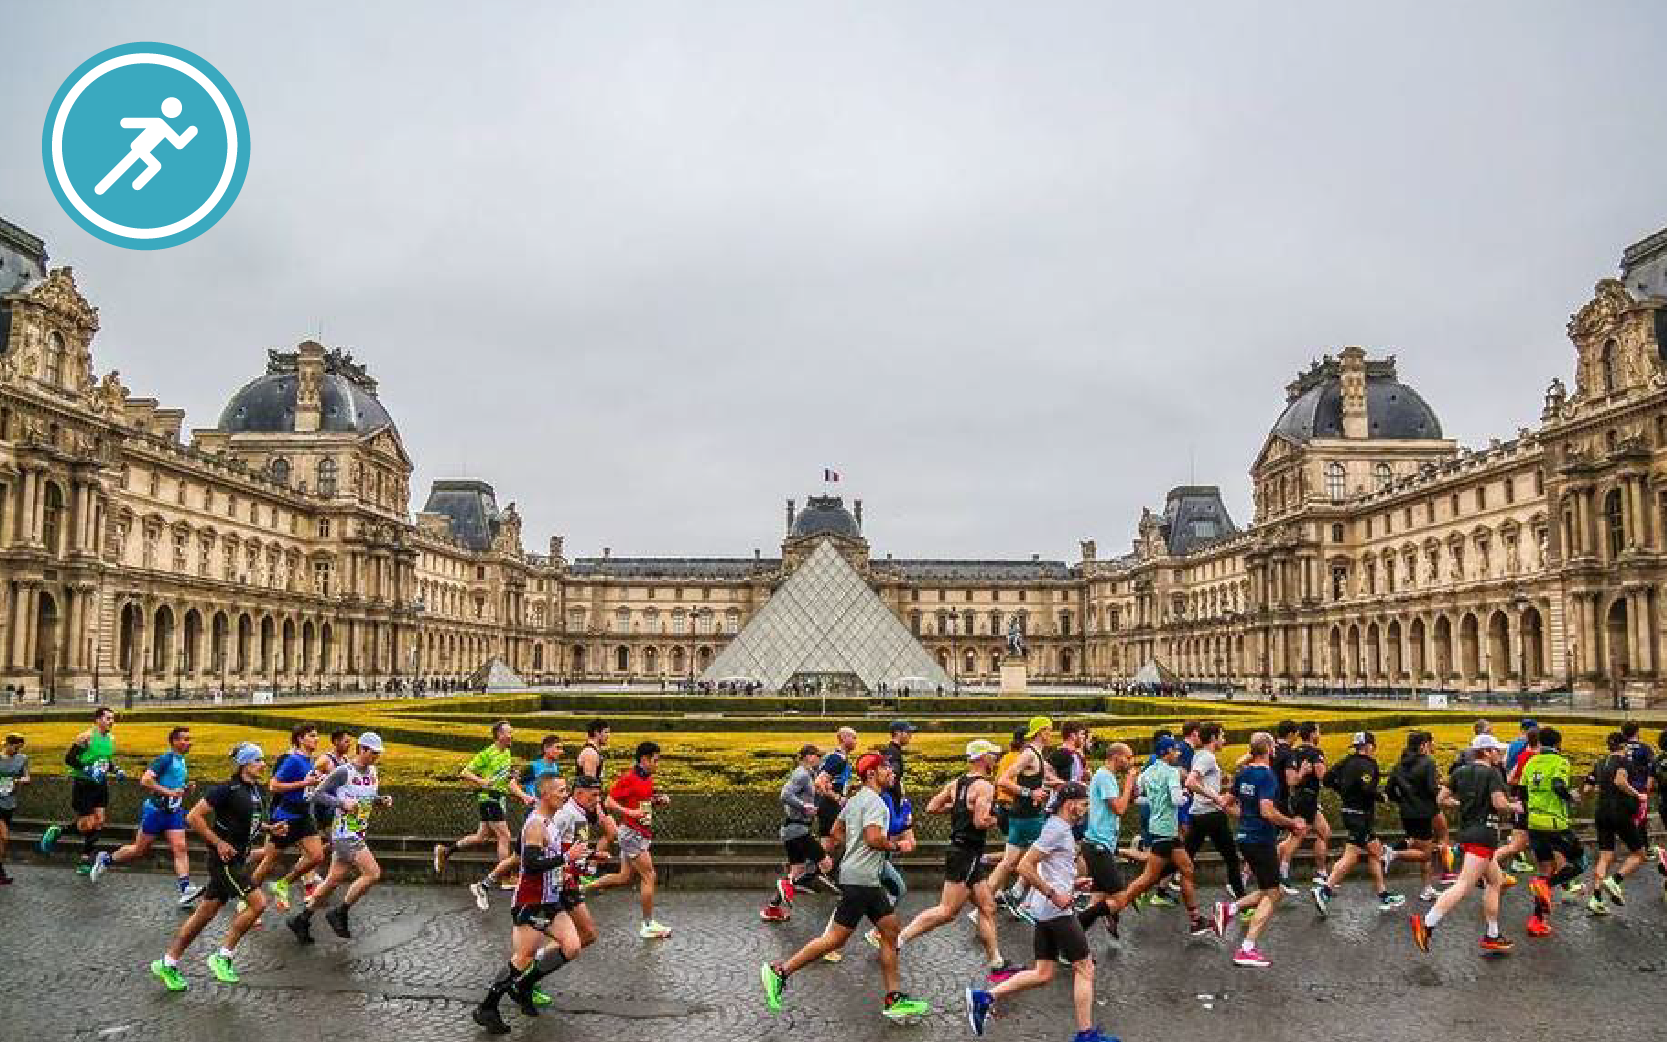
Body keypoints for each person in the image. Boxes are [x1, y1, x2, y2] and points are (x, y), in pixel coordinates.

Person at [760, 753, 930, 1023]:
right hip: (862, 879)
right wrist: (899, 845)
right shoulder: (875, 802)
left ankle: (894, 998)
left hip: (861, 877)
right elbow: (874, 839)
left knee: (889, 930)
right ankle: (780, 971)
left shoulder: (855, 800)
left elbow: (838, 831)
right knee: (835, 940)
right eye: (885, 768)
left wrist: (854, 847)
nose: (892, 773)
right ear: (872, 773)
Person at [964, 782, 1116, 1042]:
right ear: (1071, 804)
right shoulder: (1056, 829)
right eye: (1084, 803)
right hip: (1056, 912)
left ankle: (984, 997)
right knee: (1085, 967)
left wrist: (1071, 884)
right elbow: (1024, 866)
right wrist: (1053, 893)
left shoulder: (1060, 829)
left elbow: (1047, 866)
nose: (1086, 809)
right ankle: (1086, 1034)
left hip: (1047, 912)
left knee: (1043, 974)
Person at [150, 743, 286, 991]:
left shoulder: (255, 791)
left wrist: (269, 828)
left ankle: (167, 962)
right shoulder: (226, 789)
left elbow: (249, 820)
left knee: (203, 915)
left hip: (238, 858)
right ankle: (223, 956)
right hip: (224, 861)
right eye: (258, 761)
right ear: (245, 764)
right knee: (258, 903)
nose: (263, 764)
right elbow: (193, 816)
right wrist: (219, 843)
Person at [471, 773, 588, 1034]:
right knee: (522, 957)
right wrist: (567, 857)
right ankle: (487, 1007)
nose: (565, 794)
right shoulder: (535, 825)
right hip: (530, 901)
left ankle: (524, 986)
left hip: (551, 900)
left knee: (572, 946)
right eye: (560, 790)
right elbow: (532, 865)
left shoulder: (552, 822)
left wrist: (572, 863)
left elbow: (552, 859)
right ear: (544, 794)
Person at [894, 739, 1014, 981]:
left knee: (987, 907)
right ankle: (897, 939)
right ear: (982, 758)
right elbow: (981, 822)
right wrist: (999, 816)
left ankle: (996, 962)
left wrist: (960, 807)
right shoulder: (984, 787)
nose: (995, 759)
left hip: (966, 852)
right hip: (965, 853)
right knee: (947, 911)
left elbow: (931, 807)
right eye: (992, 755)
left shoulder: (957, 783)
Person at [1410, 734, 1518, 956]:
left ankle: (1492, 934)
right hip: (1484, 834)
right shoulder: (1492, 774)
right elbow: (1498, 803)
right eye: (1496, 750)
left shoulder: (1460, 772)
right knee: (1463, 885)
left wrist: (1463, 804)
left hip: (1467, 833)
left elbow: (1441, 799)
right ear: (1486, 752)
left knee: (1495, 881)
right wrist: (1515, 807)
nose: (1500, 753)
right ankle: (1427, 924)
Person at [288, 732, 392, 942]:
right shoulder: (343, 772)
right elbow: (315, 794)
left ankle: (302, 919)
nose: (376, 757)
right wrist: (341, 804)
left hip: (357, 831)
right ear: (362, 749)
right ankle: (340, 912)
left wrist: (380, 801)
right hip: (346, 835)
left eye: (378, 754)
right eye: (373, 753)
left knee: (332, 881)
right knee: (372, 874)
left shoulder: (372, 772)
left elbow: (367, 800)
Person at [1214, 732, 1302, 967]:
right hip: (1261, 839)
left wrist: (1244, 819)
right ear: (1270, 749)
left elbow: (1224, 803)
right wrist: (1292, 823)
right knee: (1274, 893)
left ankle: (1229, 908)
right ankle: (1246, 948)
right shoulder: (1268, 776)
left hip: (1245, 836)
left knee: (1270, 889)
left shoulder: (1244, 774)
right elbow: (1267, 811)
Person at [92, 726, 195, 903]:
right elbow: (145, 780)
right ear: (174, 742)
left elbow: (173, 786)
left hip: (173, 811)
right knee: (138, 850)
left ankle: (185, 888)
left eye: (189, 739)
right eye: (185, 739)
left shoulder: (182, 761)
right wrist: (168, 793)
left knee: (180, 848)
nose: (189, 743)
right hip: (155, 810)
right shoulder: (165, 759)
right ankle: (106, 859)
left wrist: (185, 789)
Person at [1312, 732, 1405, 915]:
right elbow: (1367, 789)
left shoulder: (1345, 761)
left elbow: (1328, 780)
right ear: (1369, 746)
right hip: (1360, 815)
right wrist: (1382, 796)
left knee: (1375, 850)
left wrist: (1345, 792)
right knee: (1351, 855)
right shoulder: (1369, 764)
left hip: (1348, 812)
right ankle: (1325, 890)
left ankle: (1383, 894)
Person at [589, 740, 672, 939]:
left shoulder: (647, 778)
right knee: (649, 876)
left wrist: (657, 800)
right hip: (632, 833)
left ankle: (581, 887)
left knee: (623, 877)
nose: (657, 765)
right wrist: (630, 813)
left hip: (638, 832)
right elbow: (608, 801)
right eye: (655, 760)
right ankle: (647, 924)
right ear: (644, 759)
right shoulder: (629, 777)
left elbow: (643, 802)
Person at [434, 720, 518, 909]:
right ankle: (505, 876)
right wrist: (481, 782)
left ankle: (445, 851)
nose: (511, 736)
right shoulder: (486, 754)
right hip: (489, 799)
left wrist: (511, 776)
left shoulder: (506, 752)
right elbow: (465, 772)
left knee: (482, 836)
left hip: (497, 798)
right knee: (504, 836)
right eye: (508, 733)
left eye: (512, 732)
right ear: (499, 735)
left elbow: (501, 774)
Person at [249, 723, 325, 912]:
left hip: (304, 816)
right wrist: (304, 783)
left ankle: (282, 884)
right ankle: (247, 895)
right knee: (269, 860)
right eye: (312, 736)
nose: (317, 739)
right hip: (286, 817)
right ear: (300, 739)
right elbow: (273, 786)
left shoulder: (309, 761)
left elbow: (307, 787)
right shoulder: (292, 760)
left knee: (317, 856)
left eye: (317, 736)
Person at [989, 717, 1059, 917]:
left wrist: (1064, 785)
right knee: (1040, 857)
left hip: (1022, 815)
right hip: (1029, 817)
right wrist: (1031, 793)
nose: (1051, 734)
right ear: (1040, 732)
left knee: (1009, 863)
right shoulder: (1029, 754)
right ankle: (1019, 896)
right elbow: (1002, 780)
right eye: (1049, 730)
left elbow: (1043, 779)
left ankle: (983, 905)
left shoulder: (1036, 754)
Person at [1521, 726, 1585, 938]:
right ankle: (1545, 886)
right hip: (1555, 823)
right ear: (1558, 744)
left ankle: (1537, 921)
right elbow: (1558, 786)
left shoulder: (1530, 762)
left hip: (1534, 823)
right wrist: (1571, 797)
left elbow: (1522, 792)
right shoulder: (1560, 762)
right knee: (1580, 863)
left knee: (1545, 869)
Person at [41, 706, 120, 873]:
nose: (111, 722)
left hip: (100, 784)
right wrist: (87, 770)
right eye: (108, 718)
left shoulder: (111, 739)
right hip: (84, 785)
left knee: (99, 822)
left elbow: (105, 761)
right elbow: (69, 759)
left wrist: (116, 770)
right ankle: (58, 831)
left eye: (113, 718)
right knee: (88, 824)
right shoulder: (86, 737)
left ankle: (85, 861)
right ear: (98, 719)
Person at [1076, 741, 1139, 945]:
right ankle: (1073, 928)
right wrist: (1129, 781)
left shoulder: (1107, 776)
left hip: (1099, 845)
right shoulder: (1105, 777)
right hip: (1098, 846)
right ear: (1116, 757)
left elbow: (1124, 802)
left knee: (1098, 899)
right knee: (1120, 899)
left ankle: (1071, 943)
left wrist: (1132, 787)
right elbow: (1119, 809)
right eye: (1127, 758)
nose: (1130, 762)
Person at [763, 744, 835, 920]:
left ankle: (772, 908)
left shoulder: (808, 774)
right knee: (826, 863)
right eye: (817, 755)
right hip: (797, 830)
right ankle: (787, 884)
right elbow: (785, 795)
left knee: (798, 869)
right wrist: (804, 807)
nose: (819, 759)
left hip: (794, 830)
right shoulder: (801, 774)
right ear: (808, 756)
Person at [1584, 731, 1647, 915]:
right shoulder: (1624, 761)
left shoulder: (1600, 762)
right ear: (1623, 746)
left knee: (1605, 856)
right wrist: (1638, 795)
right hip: (1619, 812)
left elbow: (1587, 788)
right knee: (1640, 853)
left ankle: (1596, 899)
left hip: (1601, 812)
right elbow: (1620, 782)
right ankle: (1615, 880)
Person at [1181, 723, 1244, 902]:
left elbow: (1200, 782)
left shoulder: (1200, 755)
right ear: (1214, 738)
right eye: (1222, 736)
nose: (1224, 740)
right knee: (1232, 857)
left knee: (1184, 858)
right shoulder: (1207, 757)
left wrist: (1221, 786)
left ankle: (1144, 889)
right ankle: (1242, 903)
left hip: (1200, 814)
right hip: (1211, 814)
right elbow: (1191, 782)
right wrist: (1216, 797)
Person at [1385, 731, 1446, 901]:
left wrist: (1402, 801)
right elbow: (1431, 789)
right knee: (1426, 853)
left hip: (1407, 812)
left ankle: (1427, 888)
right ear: (1423, 745)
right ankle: (1393, 853)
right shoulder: (1428, 763)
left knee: (1419, 845)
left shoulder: (1399, 765)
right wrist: (1444, 793)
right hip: (1424, 812)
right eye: (1430, 743)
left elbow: (1389, 791)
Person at [1278, 721, 1329, 889]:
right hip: (1307, 798)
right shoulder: (1315, 752)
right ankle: (1283, 871)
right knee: (1299, 835)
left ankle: (1321, 873)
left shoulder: (1294, 751)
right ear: (1313, 734)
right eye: (1318, 731)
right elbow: (1322, 775)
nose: (1319, 735)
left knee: (1324, 831)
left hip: (1300, 797)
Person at [814, 727, 859, 866]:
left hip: (828, 805)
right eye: (853, 737)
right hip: (830, 807)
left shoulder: (838, 757)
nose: (856, 741)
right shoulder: (837, 759)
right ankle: (815, 874)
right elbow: (819, 782)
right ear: (844, 738)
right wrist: (838, 798)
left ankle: (819, 874)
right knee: (836, 843)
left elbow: (833, 782)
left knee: (828, 845)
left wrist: (851, 788)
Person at [0, 732, 31, 884]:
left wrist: (18, 780)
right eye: (15, 748)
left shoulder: (22, 759)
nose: (17, 751)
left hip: (9, 802)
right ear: (7, 744)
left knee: (1, 841)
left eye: (19, 748)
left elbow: (27, 777)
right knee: (4, 837)